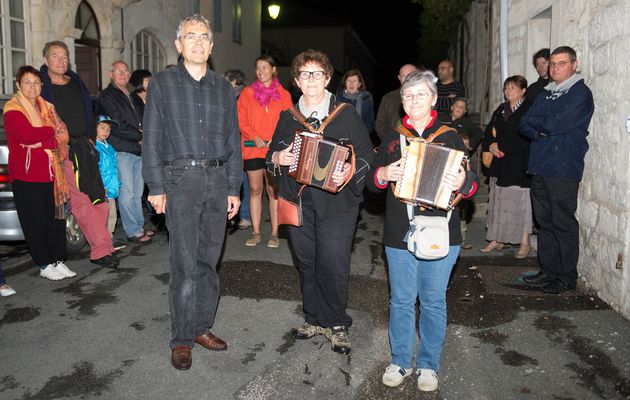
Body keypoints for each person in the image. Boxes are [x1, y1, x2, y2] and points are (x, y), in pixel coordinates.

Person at [142, 14, 242, 370]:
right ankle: (182, 338)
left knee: (208, 262)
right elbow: (152, 137)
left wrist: (234, 187)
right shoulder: (163, 84)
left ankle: (201, 326)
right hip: (180, 180)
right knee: (183, 264)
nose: (198, 42)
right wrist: (155, 186)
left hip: (217, 181)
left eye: (204, 37)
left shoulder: (223, 88)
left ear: (212, 47)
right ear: (179, 44)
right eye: (191, 36)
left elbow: (234, 140)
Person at [367, 70, 476, 392]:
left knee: (432, 301)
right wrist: (383, 173)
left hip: (441, 230)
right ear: (402, 101)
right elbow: (371, 184)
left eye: (420, 95)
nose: (413, 100)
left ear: (432, 99)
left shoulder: (450, 136)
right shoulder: (391, 138)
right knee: (401, 300)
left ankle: (428, 365)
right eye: (407, 95)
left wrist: (462, 183)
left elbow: (471, 183)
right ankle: (400, 360)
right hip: (400, 230)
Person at [266, 49, 374, 355]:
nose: (310, 79)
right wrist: (278, 157)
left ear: (327, 78)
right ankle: (313, 317)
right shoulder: (288, 117)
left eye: (317, 74)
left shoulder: (345, 113)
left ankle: (336, 323)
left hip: (337, 205)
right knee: (306, 262)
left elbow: (367, 154)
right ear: (297, 81)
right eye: (304, 74)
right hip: (299, 204)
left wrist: (348, 172)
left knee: (334, 263)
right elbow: (270, 155)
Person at [520, 46, 594, 294]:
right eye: (552, 64)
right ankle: (549, 272)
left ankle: (566, 276)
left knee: (562, 222)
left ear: (574, 64)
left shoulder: (580, 93)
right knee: (545, 221)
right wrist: (542, 128)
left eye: (561, 63)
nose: (555, 68)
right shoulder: (545, 92)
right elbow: (525, 122)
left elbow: (557, 123)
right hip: (540, 164)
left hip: (563, 166)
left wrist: (541, 126)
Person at [40, 40, 118, 269]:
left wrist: (91, 140)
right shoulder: (41, 87)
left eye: (64, 56)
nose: (61, 60)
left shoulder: (76, 82)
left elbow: (89, 111)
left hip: (84, 148)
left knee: (99, 197)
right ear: (46, 60)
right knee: (82, 200)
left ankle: (102, 246)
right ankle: (102, 249)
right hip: (62, 151)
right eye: (55, 56)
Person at [3, 65, 76, 280]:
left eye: (36, 83)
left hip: (53, 174)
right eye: (27, 82)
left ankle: (57, 260)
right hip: (27, 176)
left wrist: (45, 139)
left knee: (55, 220)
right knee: (35, 222)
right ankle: (44, 264)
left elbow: (65, 135)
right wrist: (51, 131)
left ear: (42, 85)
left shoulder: (48, 107)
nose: (32, 87)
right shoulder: (12, 109)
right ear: (18, 85)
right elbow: (26, 135)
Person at [238, 56, 292, 248]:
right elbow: (241, 119)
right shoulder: (247, 93)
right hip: (253, 149)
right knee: (255, 190)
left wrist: (277, 141)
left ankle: (275, 233)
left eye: (264, 67)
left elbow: (288, 121)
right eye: (257, 68)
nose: (260, 72)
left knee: (273, 191)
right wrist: (253, 136)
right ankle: (256, 232)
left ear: (273, 69)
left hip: (274, 152)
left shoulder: (283, 94)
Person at [97, 61, 153, 244]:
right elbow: (116, 124)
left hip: (138, 149)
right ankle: (133, 231)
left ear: (129, 75)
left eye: (125, 71)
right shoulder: (107, 96)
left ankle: (139, 225)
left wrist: (144, 136)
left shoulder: (131, 95)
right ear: (110, 74)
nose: (122, 74)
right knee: (127, 193)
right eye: (118, 71)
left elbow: (144, 118)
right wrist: (140, 136)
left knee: (137, 192)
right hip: (123, 149)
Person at [480, 76, 533, 259]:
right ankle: (497, 239)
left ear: (523, 90)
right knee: (499, 201)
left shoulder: (529, 109)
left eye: (513, 88)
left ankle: (525, 242)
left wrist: (501, 146)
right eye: (506, 88)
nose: (508, 92)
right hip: (500, 163)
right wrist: (491, 145)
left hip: (519, 164)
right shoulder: (501, 109)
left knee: (521, 203)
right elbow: (489, 131)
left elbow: (526, 136)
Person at [224, 69, 251, 229]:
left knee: (242, 183)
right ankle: (237, 215)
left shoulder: (240, 97)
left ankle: (244, 215)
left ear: (233, 82)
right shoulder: (234, 96)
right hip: (236, 145)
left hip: (240, 146)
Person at [94, 115, 121, 238]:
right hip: (102, 189)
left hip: (111, 188)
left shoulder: (109, 147)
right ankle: (103, 239)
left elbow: (114, 168)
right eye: (102, 128)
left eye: (109, 129)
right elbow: (95, 169)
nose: (106, 131)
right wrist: (100, 186)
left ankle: (109, 237)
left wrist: (117, 184)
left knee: (112, 215)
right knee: (102, 216)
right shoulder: (94, 147)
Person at [375, 64, 417, 141]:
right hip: (391, 144)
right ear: (399, 78)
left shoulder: (424, 98)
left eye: (410, 75)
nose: (407, 79)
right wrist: (390, 140)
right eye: (404, 76)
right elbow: (380, 123)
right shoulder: (388, 98)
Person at [336, 69, 375, 134]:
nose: (351, 83)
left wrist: (362, 137)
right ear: (345, 83)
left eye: (354, 81)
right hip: (339, 137)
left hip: (359, 138)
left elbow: (370, 123)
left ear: (359, 84)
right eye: (349, 80)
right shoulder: (338, 98)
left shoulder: (365, 100)